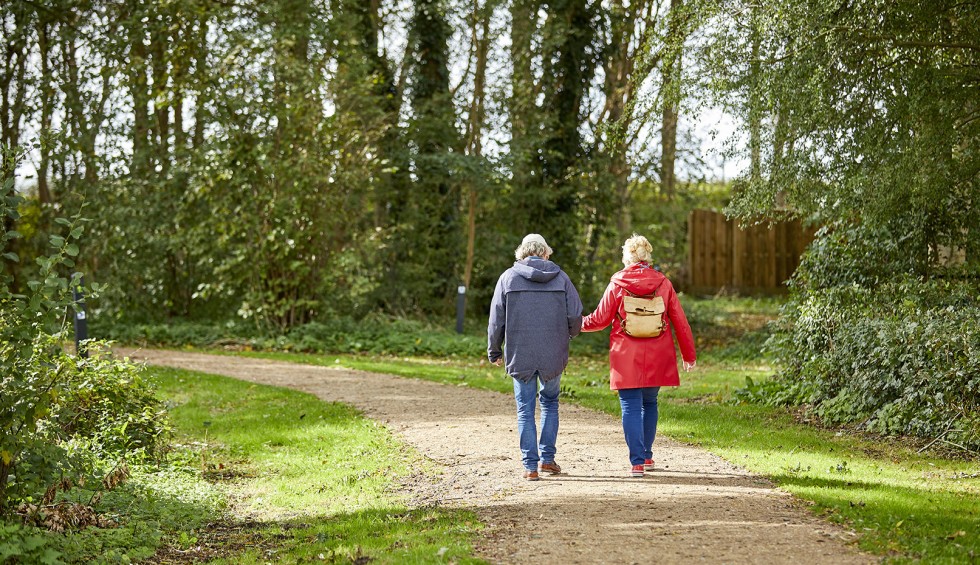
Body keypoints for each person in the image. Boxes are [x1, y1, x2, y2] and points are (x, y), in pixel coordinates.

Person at [581, 234, 696, 478]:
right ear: (648, 256)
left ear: (627, 257)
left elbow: (600, 320)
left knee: (630, 405)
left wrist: (576, 324)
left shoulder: (618, 284)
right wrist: (689, 354)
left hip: (626, 355)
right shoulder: (663, 283)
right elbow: (679, 320)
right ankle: (646, 454)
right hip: (658, 351)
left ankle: (636, 463)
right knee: (650, 402)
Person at [488, 234, 583, 481]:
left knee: (525, 409)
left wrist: (494, 350)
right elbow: (575, 313)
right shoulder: (561, 278)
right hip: (553, 352)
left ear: (522, 252)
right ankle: (547, 459)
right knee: (550, 403)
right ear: (545, 253)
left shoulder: (508, 278)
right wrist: (569, 335)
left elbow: (496, 318)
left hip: (521, 353)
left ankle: (530, 466)